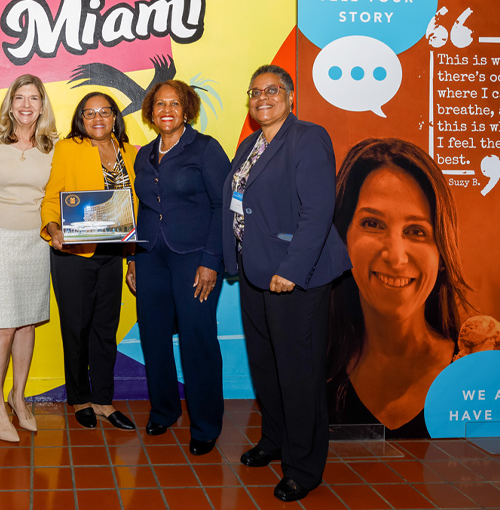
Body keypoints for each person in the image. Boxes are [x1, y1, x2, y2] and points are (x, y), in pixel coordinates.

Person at [222, 65, 350, 502]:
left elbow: (318, 212)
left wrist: (292, 271)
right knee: (266, 366)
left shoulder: (307, 138)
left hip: (295, 276)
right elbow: (238, 205)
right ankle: (274, 440)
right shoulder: (248, 146)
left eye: (272, 90)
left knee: (298, 373)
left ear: (290, 96)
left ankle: (304, 465)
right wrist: (232, 259)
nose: (263, 98)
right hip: (256, 272)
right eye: (255, 91)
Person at [328, 138, 498, 437]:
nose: (395, 256)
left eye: (417, 231)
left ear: (442, 254)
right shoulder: (312, 375)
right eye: (373, 224)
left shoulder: (480, 373)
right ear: (343, 239)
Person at [125, 80, 229, 453]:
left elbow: (223, 207)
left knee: (197, 340)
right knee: (153, 338)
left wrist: (211, 261)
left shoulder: (205, 149)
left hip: (194, 258)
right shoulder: (144, 154)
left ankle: (205, 426)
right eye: (159, 104)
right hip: (151, 255)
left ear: (187, 109)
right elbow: (142, 210)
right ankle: (164, 410)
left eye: (174, 103)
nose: (166, 110)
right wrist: (134, 258)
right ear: (150, 113)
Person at [40, 92, 137, 431]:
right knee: (77, 329)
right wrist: (53, 228)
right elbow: (53, 198)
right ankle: (80, 398)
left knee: (105, 330)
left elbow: (134, 210)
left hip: (113, 253)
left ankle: (104, 401)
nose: (98, 118)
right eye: (89, 113)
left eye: (104, 112)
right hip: (75, 254)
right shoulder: (68, 149)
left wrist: (133, 260)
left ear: (114, 117)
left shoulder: (130, 152)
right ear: (81, 118)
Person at [0, 74, 57, 442]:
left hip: (35, 241)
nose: (26, 105)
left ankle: (18, 398)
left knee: (27, 323)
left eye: (33, 98)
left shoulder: (54, 146)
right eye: (19, 97)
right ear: (9, 103)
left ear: (43, 104)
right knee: (4, 326)